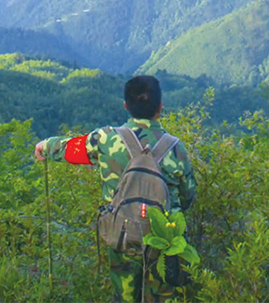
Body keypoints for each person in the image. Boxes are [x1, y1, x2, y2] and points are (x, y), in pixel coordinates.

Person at [35, 75, 197, 303]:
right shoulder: (175, 148)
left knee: (124, 298)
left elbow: (70, 148)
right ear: (160, 107)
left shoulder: (106, 138)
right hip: (164, 240)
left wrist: (45, 145)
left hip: (123, 235)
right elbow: (188, 196)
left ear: (126, 106)